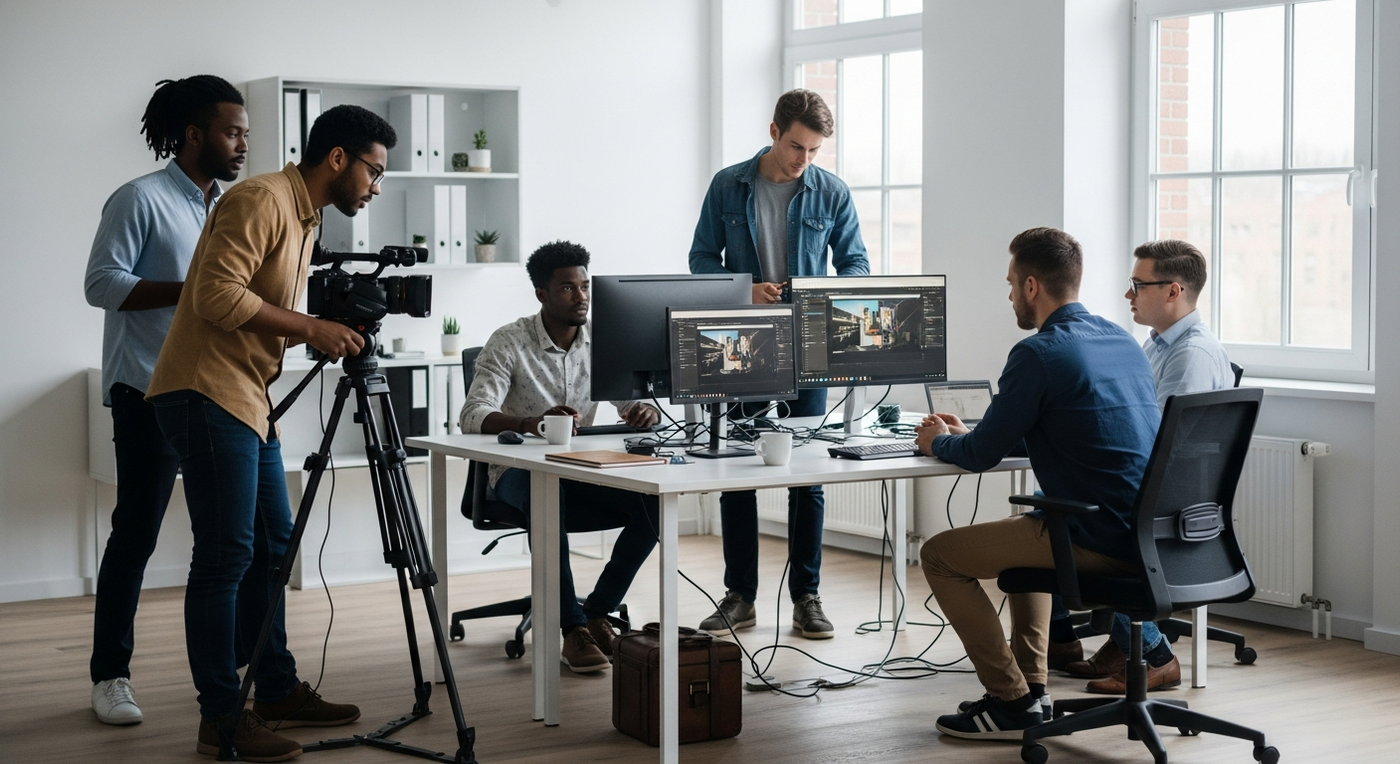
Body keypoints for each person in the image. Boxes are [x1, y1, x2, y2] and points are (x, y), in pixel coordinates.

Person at [146, 104, 394, 761]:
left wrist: (314, 323)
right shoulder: (261, 200)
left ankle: (276, 689)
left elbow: (255, 301)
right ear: (336, 158)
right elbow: (215, 296)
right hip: (205, 392)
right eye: (373, 170)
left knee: (271, 548)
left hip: (245, 398)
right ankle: (221, 721)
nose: (374, 186)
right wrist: (311, 328)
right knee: (227, 554)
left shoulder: (303, 216)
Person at [913, 228, 1161, 740]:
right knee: (1029, 527)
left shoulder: (1038, 353)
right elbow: (1072, 429)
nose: (1008, 297)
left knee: (939, 556)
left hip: (1095, 537)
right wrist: (975, 431)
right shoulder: (1122, 341)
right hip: (1146, 533)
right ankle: (1032, 690)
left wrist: (937, 442)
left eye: (1009, 285)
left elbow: (979, 457)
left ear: (1031, 286)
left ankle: (1008, 700)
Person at [82, 75, 248, 726]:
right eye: (232, 131)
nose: (241, 144)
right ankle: (110, 676)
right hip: (148, 387)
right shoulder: (140, 200)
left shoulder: (228, 206)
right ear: (193, 134)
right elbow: (102, 284)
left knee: (233, 539)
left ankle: (244, 670)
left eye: (244, 133)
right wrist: (193, 290)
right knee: (138, 534)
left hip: (216, 390)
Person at [688, 88, 868, 639]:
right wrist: (744, 292)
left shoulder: (831, 192)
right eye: (796, 146)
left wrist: (820, 297)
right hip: (740, 342)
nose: (802, 160)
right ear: (773, 131)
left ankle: (807, 598)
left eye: (814, 151)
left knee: (806, 475)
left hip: (808, 346)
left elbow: (857, 265)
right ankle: (740, 595)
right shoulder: (728, 184)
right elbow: (700, 259)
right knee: (738, 471)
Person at [458, 240, 662, 673]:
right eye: (568, 288)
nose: (582, 296)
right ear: (542, 295)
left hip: (582, 472)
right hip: (518, 474)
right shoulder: (509, 342)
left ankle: (598, 611)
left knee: (655, 503)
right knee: (545, 492)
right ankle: (571, 629)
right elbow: (472, 415)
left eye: (585, 286)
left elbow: (629, 404)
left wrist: (643, 410)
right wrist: (533, 422)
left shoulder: (602, 340)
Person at [1049, 239, 1235, 694]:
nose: (1128, 296)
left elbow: (1155, 445)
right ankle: (1093, 644)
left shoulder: (1191, 356)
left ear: (1173, 291)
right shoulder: (1155, 347)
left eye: (1137, 285)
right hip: (1154, 493)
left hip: (1165, 506)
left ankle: (1155, 656)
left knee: (1058, 515)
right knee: (1049, 505)